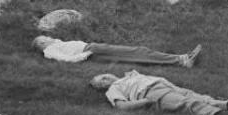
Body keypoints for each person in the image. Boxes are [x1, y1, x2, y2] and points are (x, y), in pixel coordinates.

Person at [89, 70, 228, 115]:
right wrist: (146, 101)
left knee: (197, 97)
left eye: (103, 75)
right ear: (102, 87)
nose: (105, 79)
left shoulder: (128, 75)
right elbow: (122, 106)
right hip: (151, 93)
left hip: (166, 85)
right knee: (187, 103)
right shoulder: (113, 89)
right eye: (100, 81)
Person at [33, 36, 202, 68]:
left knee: (139, 52)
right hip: (92, 51)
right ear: (41, 43)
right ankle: (182, 60)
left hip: (93, 48)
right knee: (139, 52)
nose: (48, 37)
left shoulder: (54, 44)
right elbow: (65, 60)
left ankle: (181, 58)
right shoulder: (49, 50)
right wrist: (87, 55)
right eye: (44, 37)